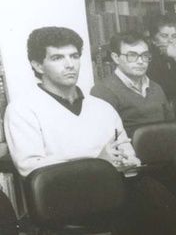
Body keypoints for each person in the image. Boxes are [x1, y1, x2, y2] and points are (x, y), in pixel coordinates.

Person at [5, 26, 139, 177]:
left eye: (74, 56)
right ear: (38, 66)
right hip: (65, 195)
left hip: (115, 188)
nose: (70, 64)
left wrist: (130, 161)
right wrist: (98, 162)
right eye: (57, 58)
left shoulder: (103, 107)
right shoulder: (23, 110)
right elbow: (30, 168)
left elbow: (126, 152)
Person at [91, 31, 173, 132]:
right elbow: (107, 136)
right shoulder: (103, 91)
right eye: (132, 55)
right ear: (116, 58)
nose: (140, 61)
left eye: (145, 55)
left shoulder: (156, 88)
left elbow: (171, 126)